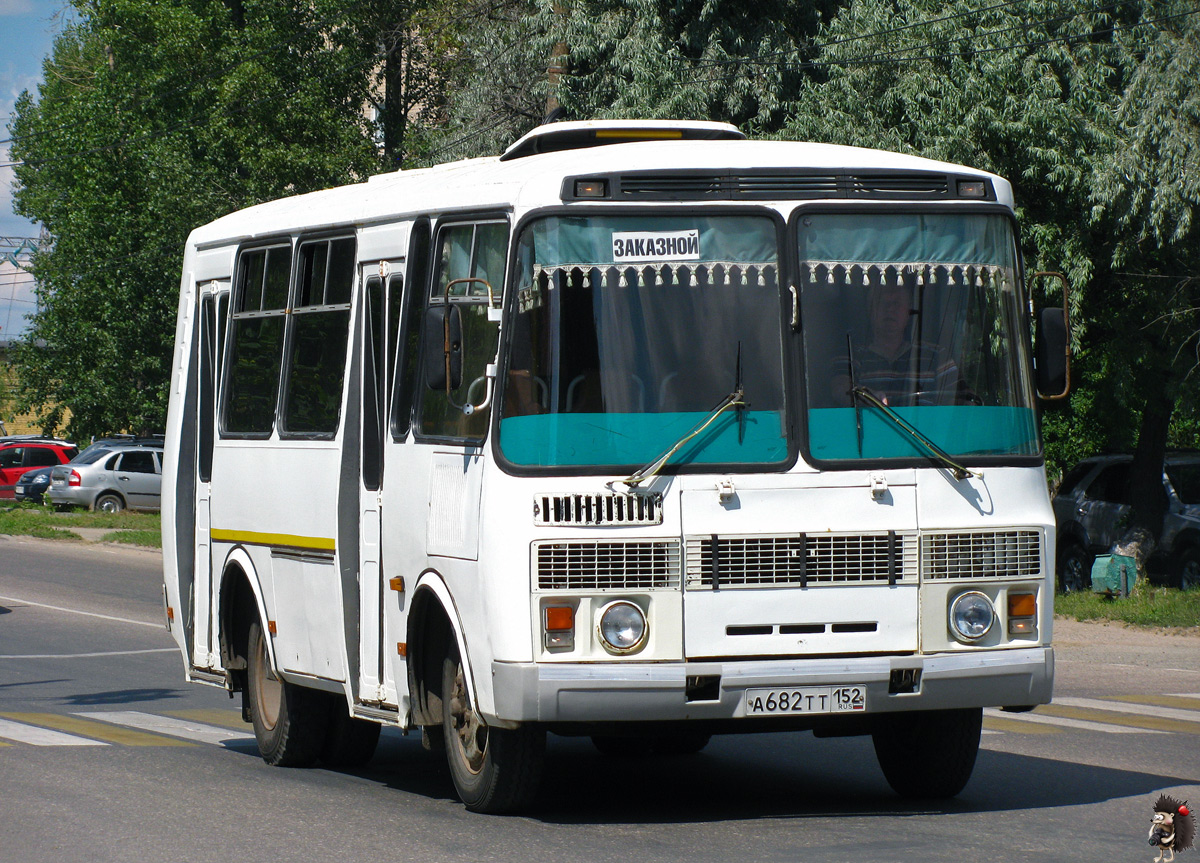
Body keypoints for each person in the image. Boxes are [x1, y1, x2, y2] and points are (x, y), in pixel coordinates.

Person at [831, 283, 972, 407]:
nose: (890, 309)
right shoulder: (851, 352)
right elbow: (839, 388)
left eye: (897, 303)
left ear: (908, 312)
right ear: (870, 309)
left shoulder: (936, 356)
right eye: (883, 302)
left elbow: (966, 400)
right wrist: (866, 397)